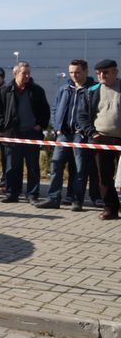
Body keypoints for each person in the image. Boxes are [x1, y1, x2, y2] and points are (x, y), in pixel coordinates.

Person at [37, 59, 95, 210]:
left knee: (80, 169)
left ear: (86, 71)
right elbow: (55, 108)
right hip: (63, 134)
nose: (74, 75)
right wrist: (57, 128)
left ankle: (77, 200)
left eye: (77, 72)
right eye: (71, 72)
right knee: (55, 166)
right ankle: (53, 198)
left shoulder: (93, 90)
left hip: (80, 135)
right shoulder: (64, 88)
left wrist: (86, 130)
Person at [0, 61, 50, 204]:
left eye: (29, 73)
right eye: (24, 73)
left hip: (31, 135)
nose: (27, 75)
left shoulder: (37, 91)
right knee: (12, 167)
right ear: (16, 74)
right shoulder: (5, 91)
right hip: (11, 135)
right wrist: (2, 127)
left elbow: (45, 111)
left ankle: (32, 195)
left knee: (33, 167)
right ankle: (12, 193)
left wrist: (40, 125)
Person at [77, 59, 121, 220]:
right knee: (104, 176)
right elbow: (81, 115)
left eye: (106, 72)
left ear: (115, 72)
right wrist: (92, 133)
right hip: (101, 138)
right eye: (99, 73)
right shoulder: (92, 90)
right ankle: (110, 208)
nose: (102, 75)